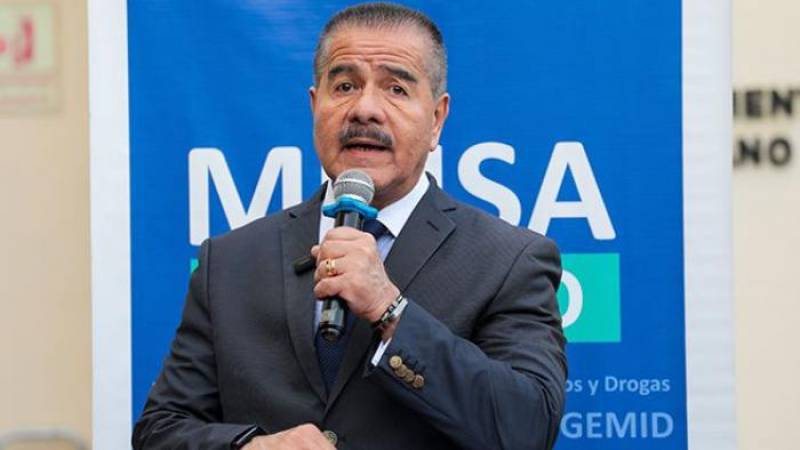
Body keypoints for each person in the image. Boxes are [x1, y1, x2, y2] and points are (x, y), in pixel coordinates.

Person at [132, 3, 566, 449]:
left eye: (396, 89)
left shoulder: (509, 261)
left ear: (437, 119)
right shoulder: (229, 261)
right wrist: (251, 447)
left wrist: (390, 309)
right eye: (344, 86)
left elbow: (526, 429)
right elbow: (159, 431)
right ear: (314, 105)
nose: (365, 109)